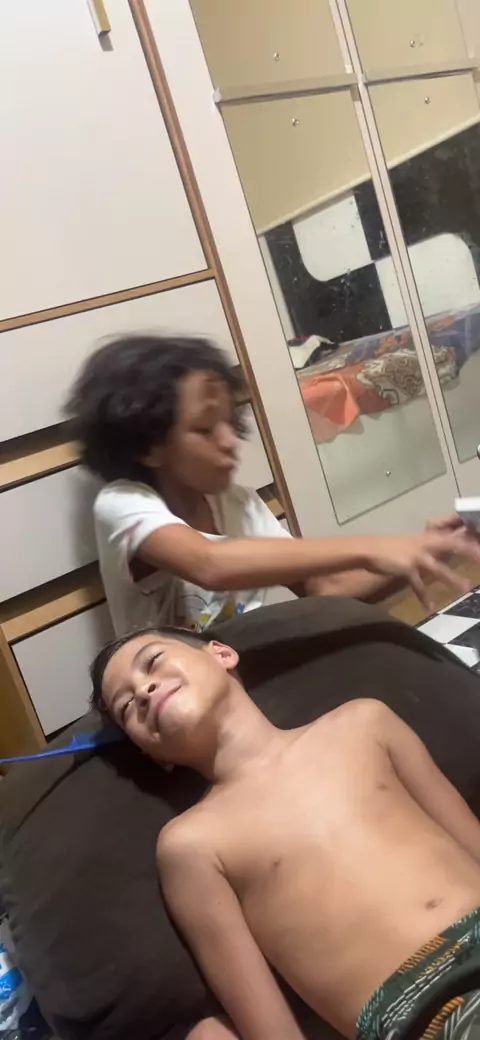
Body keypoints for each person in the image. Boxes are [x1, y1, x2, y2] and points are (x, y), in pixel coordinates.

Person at [94, 626, 480, 1040]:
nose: (145, 691)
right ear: (151, 753)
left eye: (153, 662)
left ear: (221, 654)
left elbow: (470, 841)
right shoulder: (190, 844)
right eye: (127, 706)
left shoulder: (363, 724)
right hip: (424, 1009)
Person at [66, 334, 479, 636]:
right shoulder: (123, 504)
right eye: (205, 429)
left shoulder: (239, 503)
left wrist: (428, 549)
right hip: (172, 698)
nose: (230, 441)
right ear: (148, 446)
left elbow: (326, 588)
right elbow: (210, 564)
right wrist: (373, 547)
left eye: (229, 422)